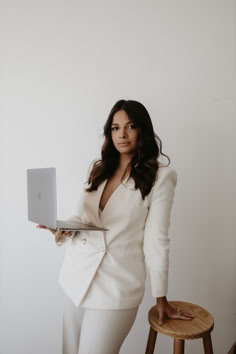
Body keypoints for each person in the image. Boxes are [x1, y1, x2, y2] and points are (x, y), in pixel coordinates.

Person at [38, 99, 194, 354]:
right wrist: (62, 231)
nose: (121, 134)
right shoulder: (98, 169)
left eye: (130, 126)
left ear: (142, 130)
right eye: (115, 127)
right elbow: (82, 218)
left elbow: (157, 240)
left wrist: (160, 296)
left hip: (116, 286)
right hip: (76, 278)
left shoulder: (161, 177)